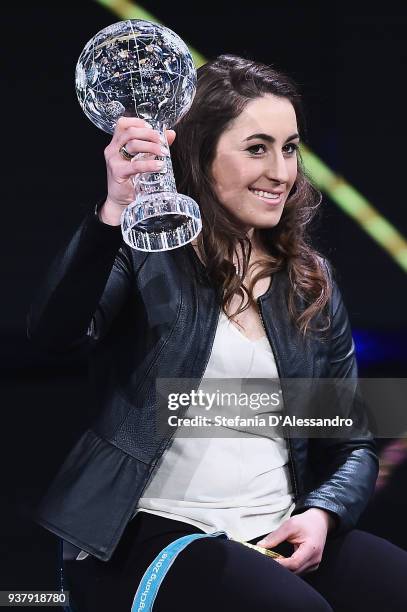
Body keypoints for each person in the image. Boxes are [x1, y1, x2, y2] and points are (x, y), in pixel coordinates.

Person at [27, 55, 407, 611]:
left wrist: (322, 514)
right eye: (257, 148)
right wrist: (113, 210)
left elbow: (348, 440)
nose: (281, 171)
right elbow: (56, 334)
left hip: (273, 529)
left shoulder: (309, 281)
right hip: (147, 536)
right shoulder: (142, 251)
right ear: (198, 154)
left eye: (290, 147)